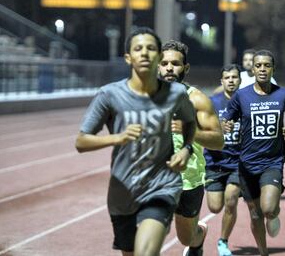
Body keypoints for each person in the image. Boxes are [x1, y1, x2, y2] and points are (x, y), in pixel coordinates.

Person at [75, 27, 197, 256]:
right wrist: (117, 137)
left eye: (151, 48)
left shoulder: (176, 93)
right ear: (128, 57)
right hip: (124, 191)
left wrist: (186, 149)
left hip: (162, 186)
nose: (144, 53)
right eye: (138, 49)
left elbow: (190, 123)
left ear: (159, 56)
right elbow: (81, 141)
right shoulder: (109, 94)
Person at [223, 50, 285, 256]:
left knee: (267, 209)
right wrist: (225, 126)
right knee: (255, 215)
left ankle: (274, 213)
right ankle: (263, 253)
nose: (262, 69)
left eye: (267, 65)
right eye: (259, 66)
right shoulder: (241, 95)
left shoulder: (283, 95)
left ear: (272, 68)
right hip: (246, 164)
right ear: (253, 69)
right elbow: (227, 118)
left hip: (272, 162)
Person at [158, 40, 224, 256]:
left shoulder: (197, 100)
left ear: (185, 68)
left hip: (188, 179)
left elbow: (218, 140)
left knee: (186, 237)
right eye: (164, 63)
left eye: (175, 63)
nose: (169, 68)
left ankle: (198, 238)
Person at [203, 64, 242, 256]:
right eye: (227, 78)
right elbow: (200, 129)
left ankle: (223, 242)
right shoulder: (211, 102)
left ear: (240, 80)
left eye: (235, 77)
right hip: (214, 162)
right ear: (222, 81)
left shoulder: (248, 102)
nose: (231, 81)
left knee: (231, 199)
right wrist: (218, 126)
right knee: (215, 207)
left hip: (237, 162)